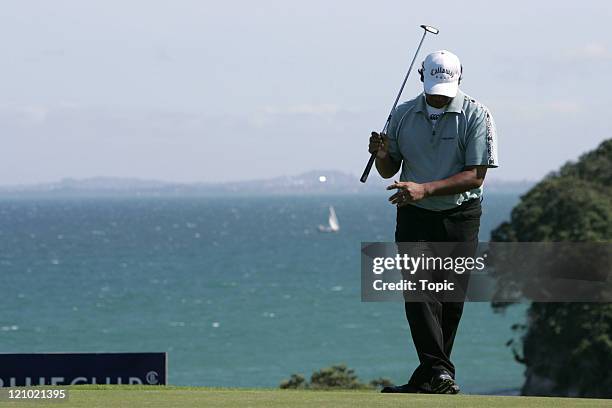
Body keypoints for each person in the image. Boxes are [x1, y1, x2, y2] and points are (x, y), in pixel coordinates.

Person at [368, 50, 499, 394]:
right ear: (421, 77)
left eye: (445, 87)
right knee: (420, 294)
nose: (439, 94)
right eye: (434, 86)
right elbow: (388, 169)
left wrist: (425, 188)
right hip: (414, 215)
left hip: (461, 214)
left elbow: (475, 176)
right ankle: (439, 373)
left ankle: (431, 375)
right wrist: (381, 154)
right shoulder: (401, 115)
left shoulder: (477, 114)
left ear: (460, 78)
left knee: (450, 301)